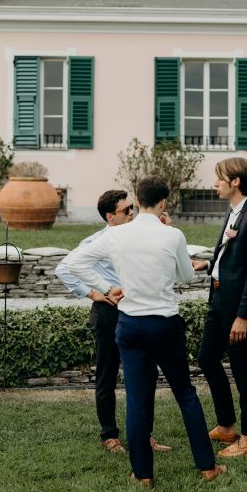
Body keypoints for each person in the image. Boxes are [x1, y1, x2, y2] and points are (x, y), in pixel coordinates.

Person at [68, 176, 226, 487]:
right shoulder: (173, 235)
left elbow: (75, 262)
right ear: (163, 202)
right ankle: (207, 467)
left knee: (137, 399)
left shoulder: (117, 235)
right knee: (185, 394)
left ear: (138, 201)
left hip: (131, 325)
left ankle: (143, 475)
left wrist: (107, 287)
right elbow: (186, 276)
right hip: (165, 325)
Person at [55, 189, 171, 455]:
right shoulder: (98, 240)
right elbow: (64, 268)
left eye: (133, 208)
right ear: (110, 217)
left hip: (138, 311)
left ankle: (144, 435)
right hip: (108, 314)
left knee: (145, 374)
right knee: (107, 374)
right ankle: (110, 435)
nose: (133, 213)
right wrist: (94, 292)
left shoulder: (138, 236)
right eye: (127, 210)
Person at [194, 157, 247, 458]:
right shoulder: (234, 213)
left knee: (243, 369)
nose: (215, 184)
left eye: (219, 178)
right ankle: (226, 426)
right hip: (218, 301)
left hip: (236, 308)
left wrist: (243, 316)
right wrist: (209, 264)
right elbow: (232, 260)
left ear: (235, 181)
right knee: (206, 358)